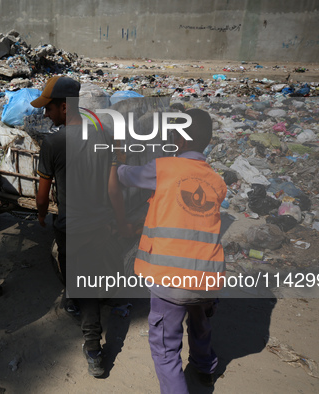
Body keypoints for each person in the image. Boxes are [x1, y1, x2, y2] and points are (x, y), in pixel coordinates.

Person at [117, 108, 226, 393]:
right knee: (200, 323)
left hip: (170, 277)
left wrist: (117, 164)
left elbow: (128, 177)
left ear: (179, 140)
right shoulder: (217, 182)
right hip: (207, 277)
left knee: (165, 348)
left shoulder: (163, 168)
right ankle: (205, 368)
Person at [32, 76, 127, 377]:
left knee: (83, 286)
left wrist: (41, 214)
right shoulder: (104, 136)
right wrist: (120, 221)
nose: (45, 115)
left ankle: (94, 351)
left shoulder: (53, 142)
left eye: (48, 109)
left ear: (64, 107)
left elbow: (43, 194)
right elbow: (114, 189)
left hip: (73, 225)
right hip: (102, 223)